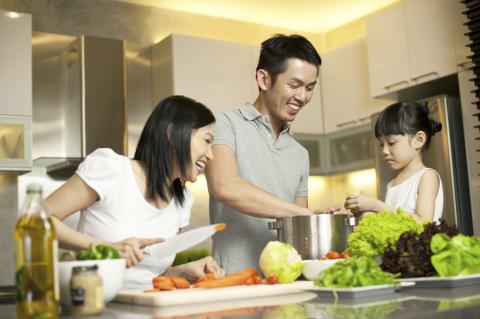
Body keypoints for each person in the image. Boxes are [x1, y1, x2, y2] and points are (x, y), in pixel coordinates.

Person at [46, 95, 224, 288]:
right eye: (207, 141)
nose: (210, 154)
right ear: (172, 135)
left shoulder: (182, 202)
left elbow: (145, 274)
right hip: (94, 305)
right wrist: (108, 248)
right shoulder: (111, 169)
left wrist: (182, 272)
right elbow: (34, 221)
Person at [206, 34, 340, 274]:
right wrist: (303, 212)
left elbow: (298, 227)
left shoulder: (300, 154)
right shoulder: (225, 124)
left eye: (310, 88)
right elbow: (224, 185)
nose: (302, 97)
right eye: (294, 85)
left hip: (284, 283)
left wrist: (315, 218)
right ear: (264, 79)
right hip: (232, 281)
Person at [344, 101, 444, 223]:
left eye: (391, 143)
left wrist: (375, 205)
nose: (385, 151)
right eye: (382, 145)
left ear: (419, 140)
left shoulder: (427, 176)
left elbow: (422, 222)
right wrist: (367, 212)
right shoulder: (392, 184)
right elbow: (393, 222)